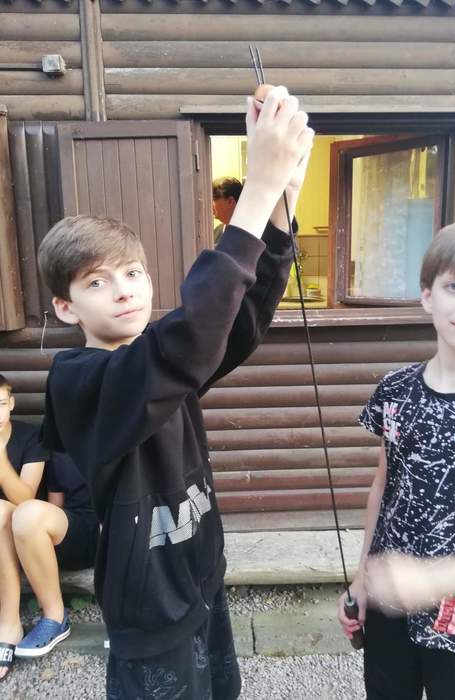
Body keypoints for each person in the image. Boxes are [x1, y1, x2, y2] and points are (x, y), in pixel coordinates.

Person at [37, 86, 313, 699]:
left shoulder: (163, 360)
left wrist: (280, 207)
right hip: (150, 607)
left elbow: (237, 325)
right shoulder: (79, 379)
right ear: (65, 307)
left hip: (200, 578)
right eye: (96, 281)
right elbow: (188, 341)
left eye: (133, 272)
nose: (123, 289)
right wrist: (257, 189)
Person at [336, 216, 455, 700]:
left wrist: (433, 580)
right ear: (427, 295)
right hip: (391, 616)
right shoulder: (396, 389)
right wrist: (361, 580)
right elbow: (384, 486)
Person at [14, 450, 99, 659]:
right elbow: (55, 505)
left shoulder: (124, 433)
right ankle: (55, 618)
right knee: (27, 514)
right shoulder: (60, 445)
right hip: (80, 529)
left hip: (123, 526)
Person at [0, 374, 47, 680]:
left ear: (12, 403)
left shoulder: (31, 437)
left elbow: (25, 498)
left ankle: (9, 624)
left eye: (1, 404)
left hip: (19, 532)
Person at [212, 177, 243, 244]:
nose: (211, 205)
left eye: (214, 199)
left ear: (230, 201)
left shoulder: (249, 233)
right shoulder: (216, 232)